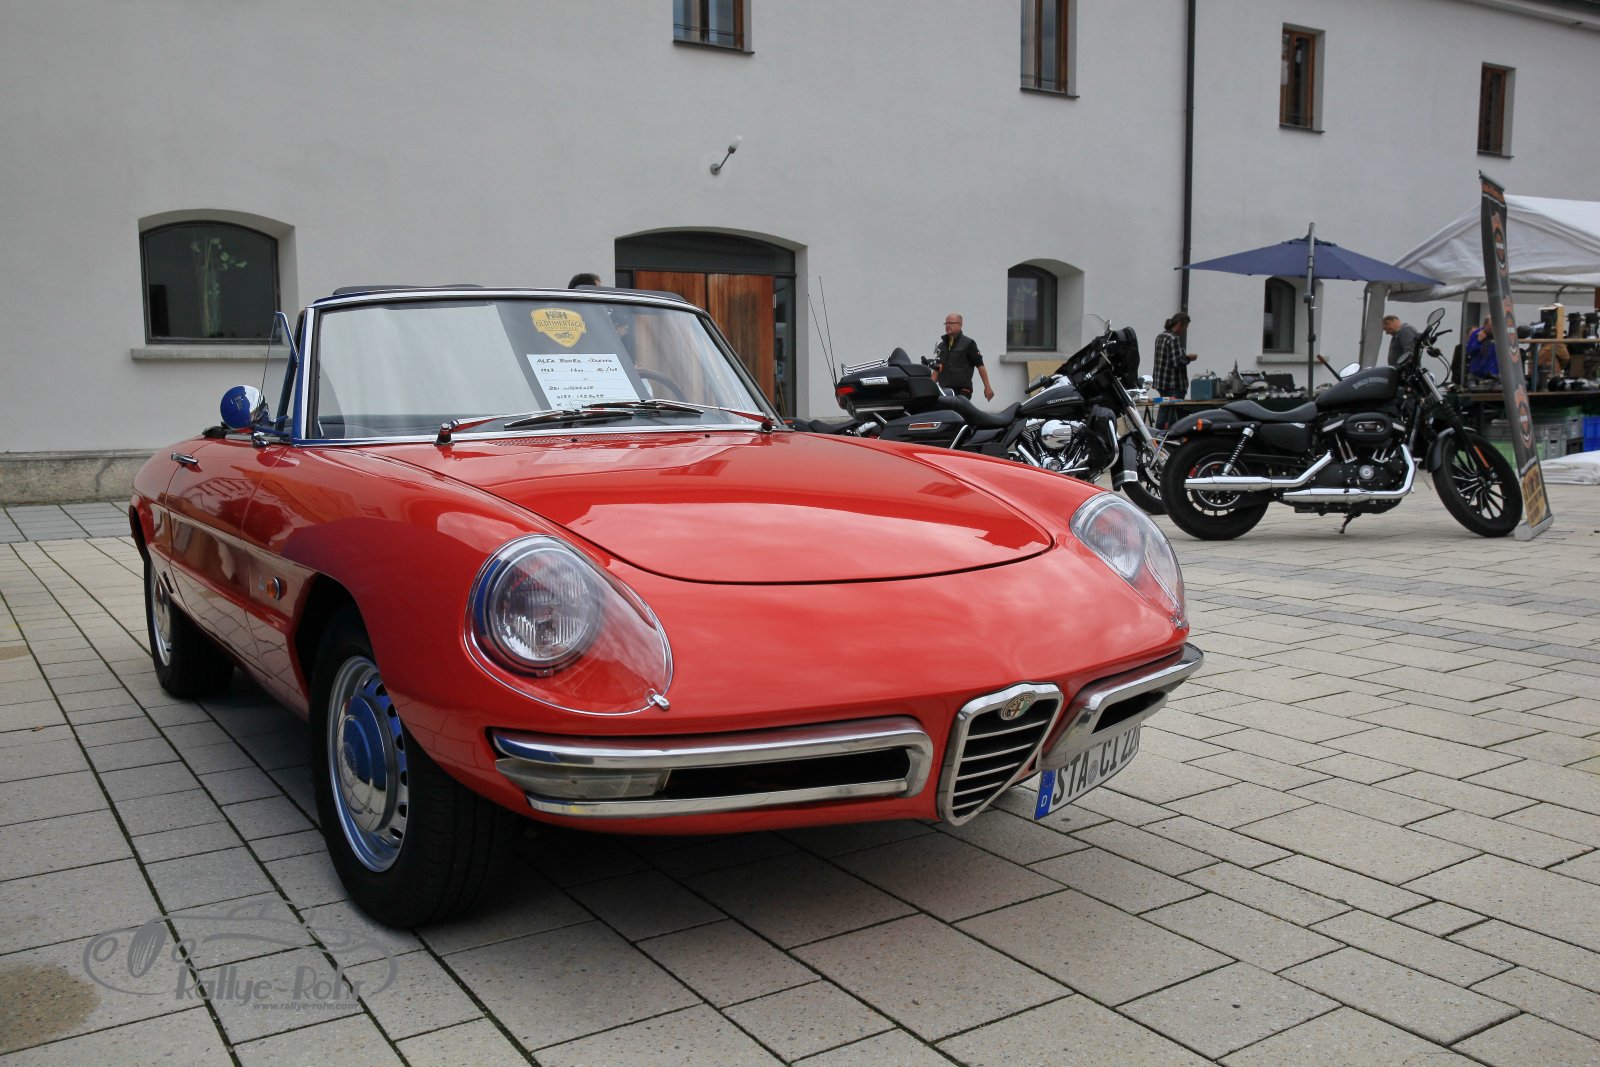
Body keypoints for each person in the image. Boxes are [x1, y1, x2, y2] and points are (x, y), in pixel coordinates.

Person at [931, 313, 993, 401]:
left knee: (957, 409)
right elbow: (937, 369)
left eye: (951, 323)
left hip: (962, 390)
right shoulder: (942, 346)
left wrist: (987, 387)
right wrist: (929, 387)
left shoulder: (968, 344)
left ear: (960, 325)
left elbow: (980, 366)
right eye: (946, 323)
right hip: (945, 390)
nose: (947, 325)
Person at [1152, 313, 1197, 426]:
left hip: (1161, 383)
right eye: (1185, 327)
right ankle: (1171, 435)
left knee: (1163, 411)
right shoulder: (1173, 338)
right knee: (1173, 416)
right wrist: (1189, 358)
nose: (1185, 330)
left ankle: (1158, 433)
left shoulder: (1160, 337)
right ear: (1179, 324)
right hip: (1174, 385)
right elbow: (1177, 362)